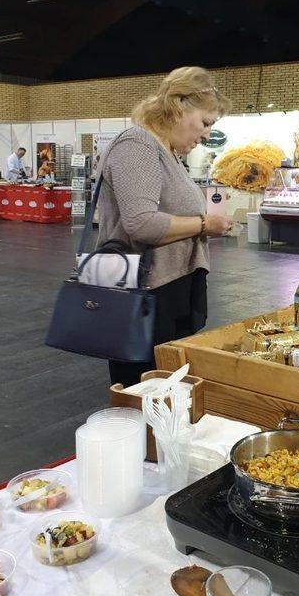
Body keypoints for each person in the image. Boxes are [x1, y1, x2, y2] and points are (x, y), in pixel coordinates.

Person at [97, 66, 234, 386]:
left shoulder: (165, 152)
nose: (205, 135)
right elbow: (141, 223)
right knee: (142, 392)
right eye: (205, 123)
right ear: (177, 108)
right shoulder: (137, 145)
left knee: (164, 393)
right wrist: (204, 224)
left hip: (164, 292)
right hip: (144, 296)